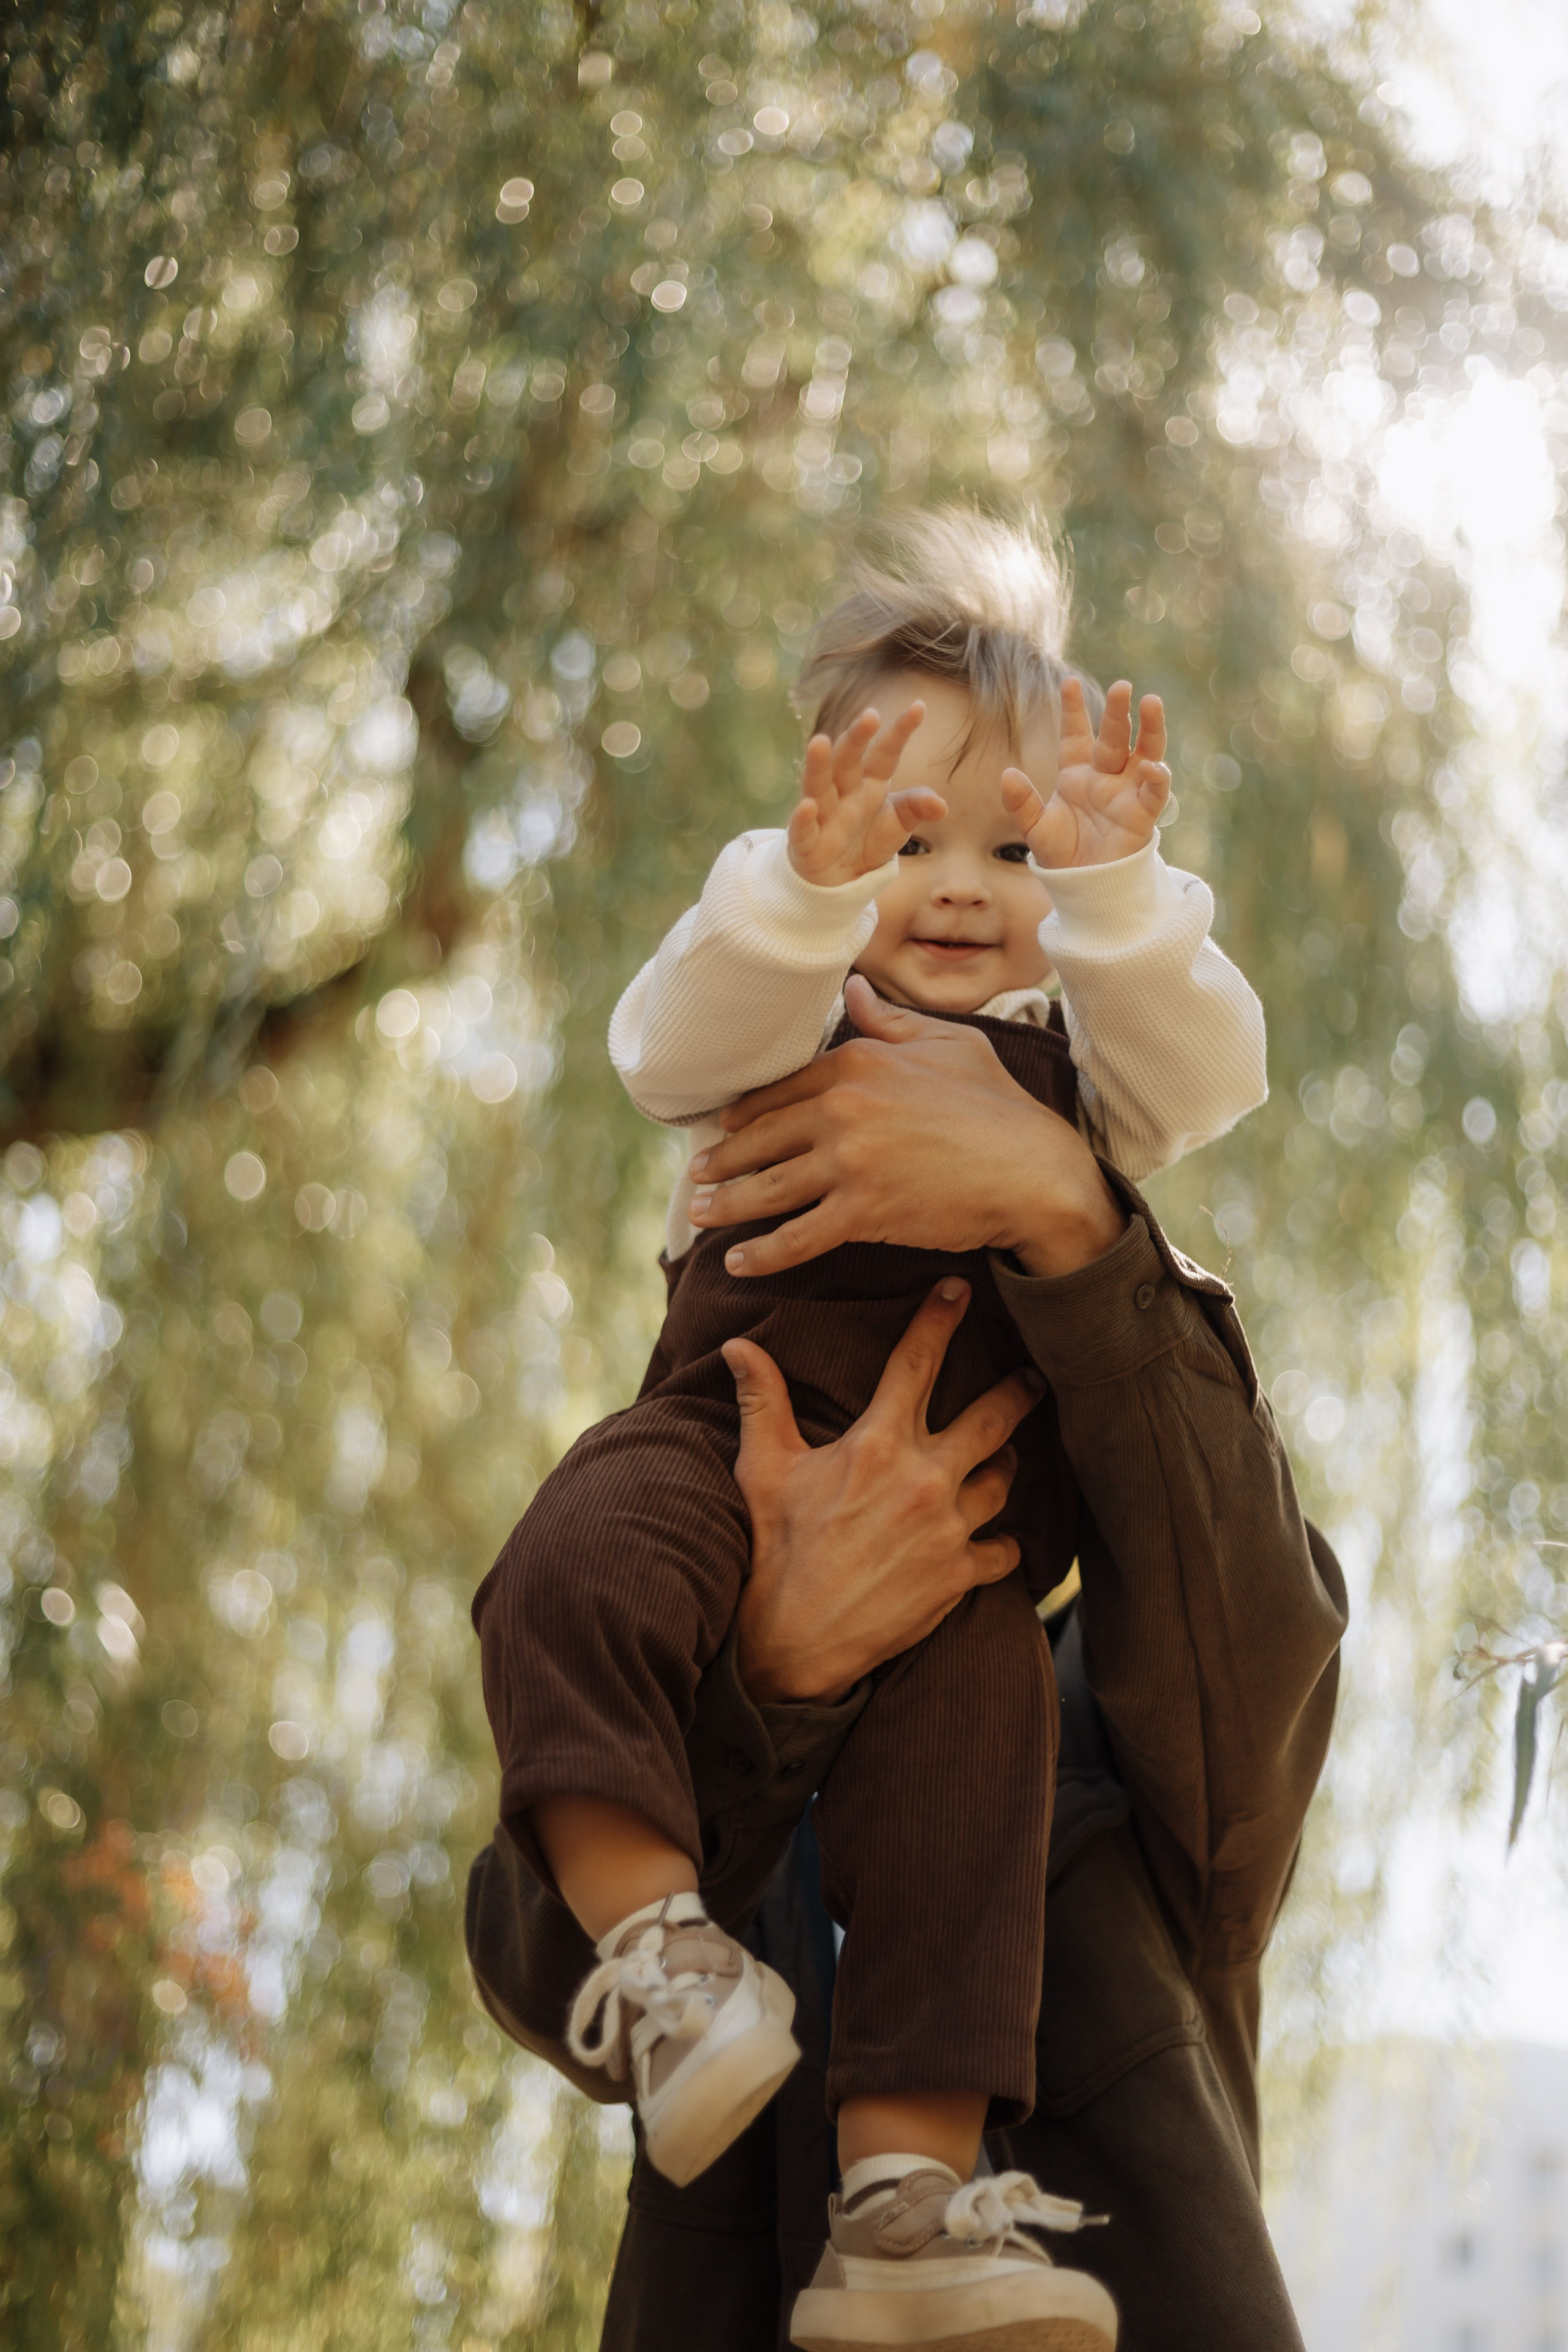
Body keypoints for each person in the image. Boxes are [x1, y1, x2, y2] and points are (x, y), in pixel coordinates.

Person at [472, 512, 1273, 2348]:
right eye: (911, 840)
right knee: (564, 1568)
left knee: (977, 1759)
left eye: (1015, 845)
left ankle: (910, 2200)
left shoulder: (1083, 1054)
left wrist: (1126, 899)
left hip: (972, 1564)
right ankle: (666, 1965)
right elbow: (659, 1047)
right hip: (718, 1453)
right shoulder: (785, 993)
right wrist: (799, 894)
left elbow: (1209, 1072)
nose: (965, 886)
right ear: (831, 826)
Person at [467, 1010, 1346, 2351]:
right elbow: (539, 1964)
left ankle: (928, 2222)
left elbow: (1257, 1655)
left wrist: (1061, 1199)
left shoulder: (1119, 1732)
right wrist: (779, 1670)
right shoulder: (661, 1689)